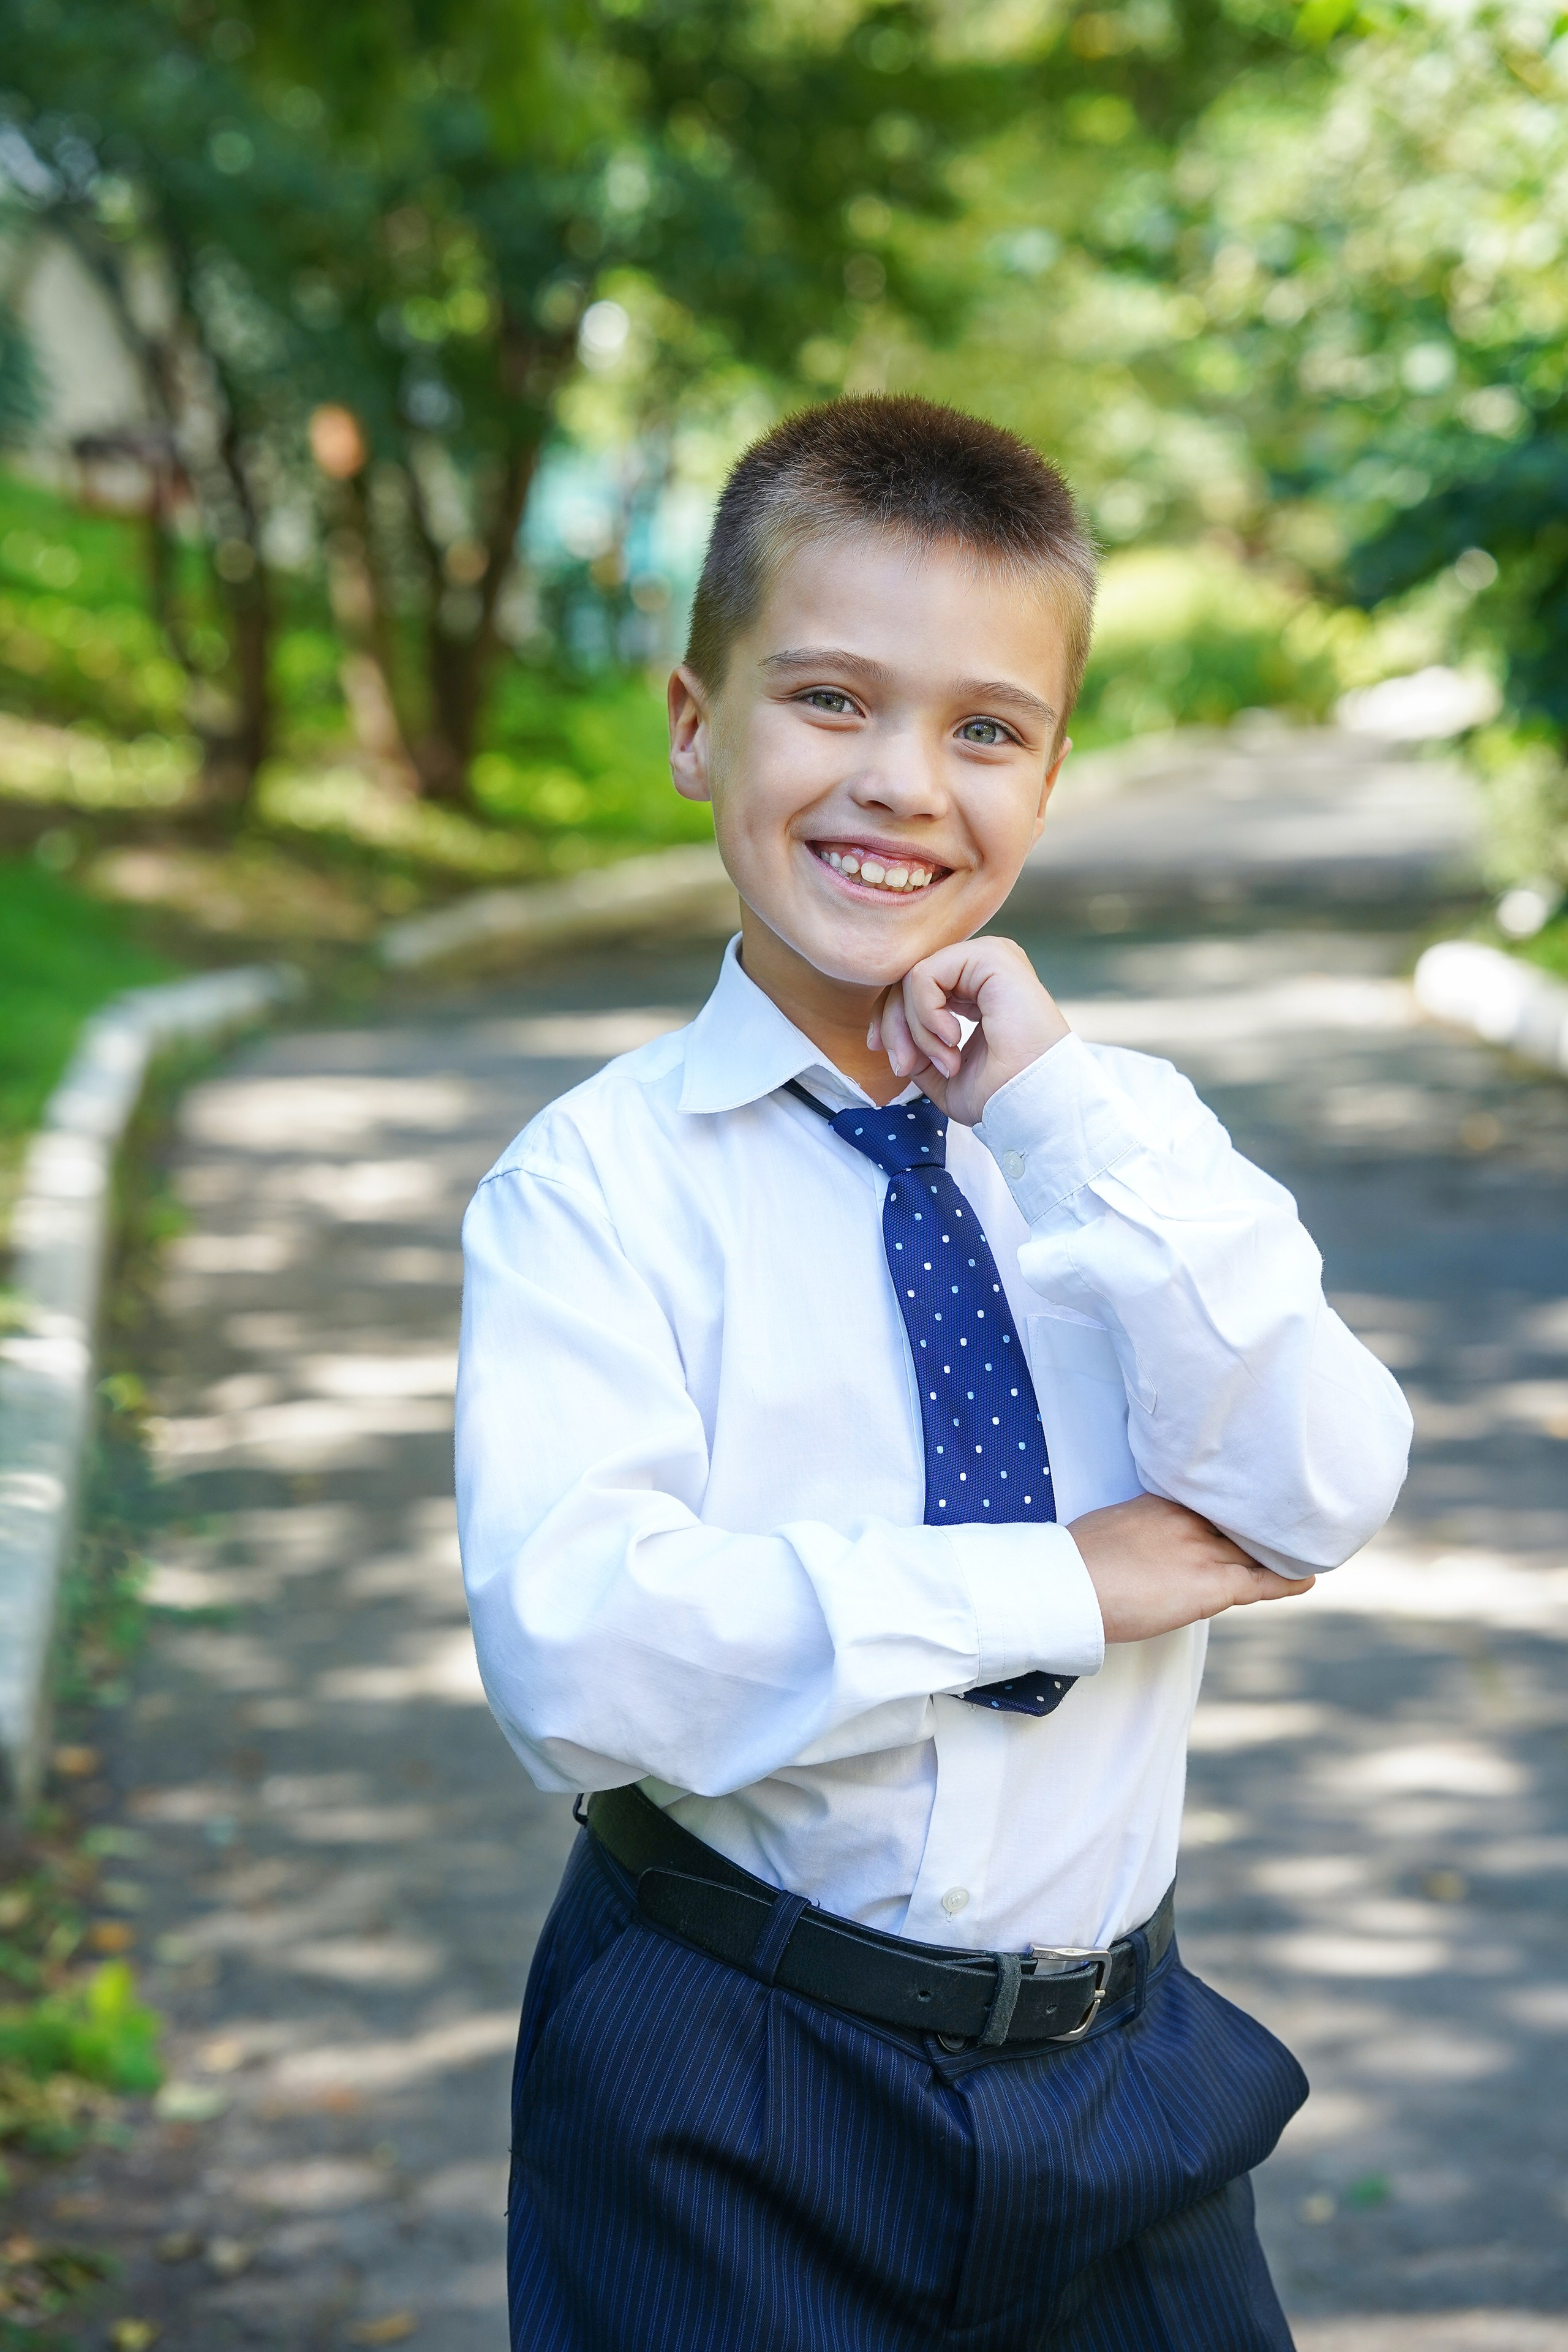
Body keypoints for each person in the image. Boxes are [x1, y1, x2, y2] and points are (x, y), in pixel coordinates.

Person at [455, 395, 1413, 2352]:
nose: (903, 782)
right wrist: (1064, 1582)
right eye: (829, 699)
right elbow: (583, 1652)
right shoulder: (597, 1187)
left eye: (985, 729)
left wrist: (1055, 1114)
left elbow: (1319, 1486)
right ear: (695, 723)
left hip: (1115, 2067)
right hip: (723, 2071)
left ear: (1050, 780)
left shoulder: (1123, 1138)